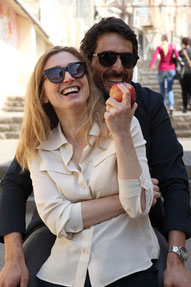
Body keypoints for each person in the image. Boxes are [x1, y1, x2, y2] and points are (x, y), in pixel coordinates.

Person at [0, 17, 191, 287]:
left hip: (132, 234)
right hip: (59, 236)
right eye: (107, 57)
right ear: (88, 62)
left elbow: (173, 180)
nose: (118, 67)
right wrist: (12, 256)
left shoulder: (144, 106)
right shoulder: (56, 110)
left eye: (127, 60)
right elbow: (14, 184)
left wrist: (176, 258)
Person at [18, 45, 161, 286]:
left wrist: (121, 134)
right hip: (62, 274)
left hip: (129, 268)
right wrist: (122, 199)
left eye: (76, 69)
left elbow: (138, 207)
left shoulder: (126, 125)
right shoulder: (37, 149)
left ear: (86, 79)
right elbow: (57, 219)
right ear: (42, 93)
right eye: (55, 74)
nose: (68, 77)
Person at [150, 34, 179, 116]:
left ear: (162, 40)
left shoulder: (159, 47)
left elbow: (154, 56)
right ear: (168, 39)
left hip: (161, 69)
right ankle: (171, 106)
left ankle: (163, 108)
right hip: (171, 69)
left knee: (162, 90)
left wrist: (151, 64)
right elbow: (177, 56)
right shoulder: (172, 47)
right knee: (169, 89)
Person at [179, 37, 191, 113]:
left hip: (183, 73)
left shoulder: (180, 52)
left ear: (183, 43)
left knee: (184, 91)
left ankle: (185, 108)